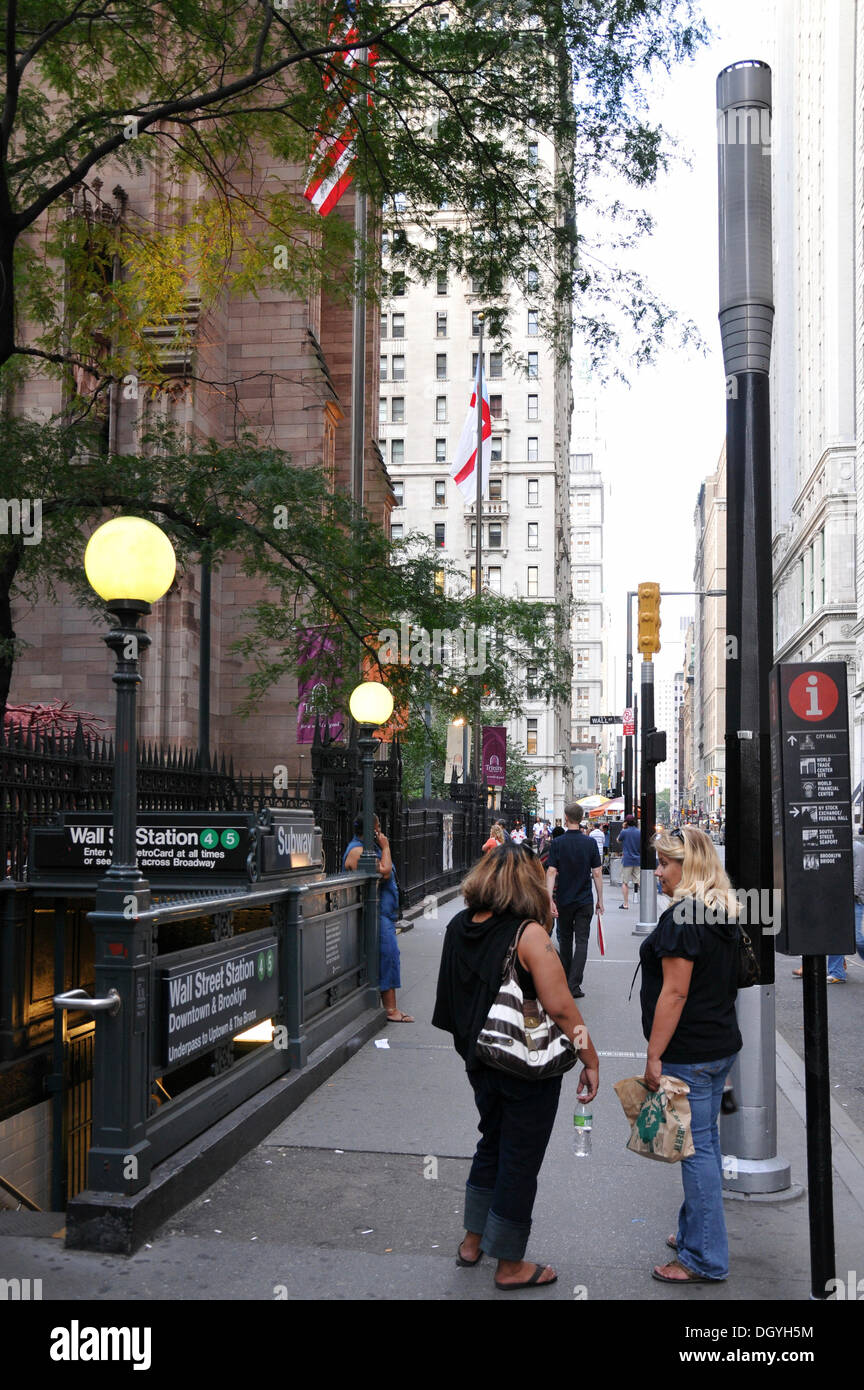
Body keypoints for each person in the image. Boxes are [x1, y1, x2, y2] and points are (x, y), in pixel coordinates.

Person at [433, 840, 599, 1290]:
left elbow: (451, 997)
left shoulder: (458, 925)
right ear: (527, 883)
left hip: (480, 1061)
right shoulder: (529, 935)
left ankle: (473, 1241)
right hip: (524, 1069)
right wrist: (590, 1058)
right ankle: (510, 1265)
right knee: (519, 1158)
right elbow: (563, 1009)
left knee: (492, 1142)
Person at [641, 826, 742, 1284]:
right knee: (704, 1146)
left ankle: (703, 1258)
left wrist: (653, 1055)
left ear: (690, 866)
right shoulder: (720, 910)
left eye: (665, 863)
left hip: (691, 1051)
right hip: (717, 1046)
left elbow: (674, 994)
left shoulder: (685, 916)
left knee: (693, 1152)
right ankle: (695, 1233)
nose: (658, 872)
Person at [343, 815, 414, 1022]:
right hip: (375, 914)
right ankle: (391, 1010)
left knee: (389, 955)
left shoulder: (368, 848)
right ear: (371, 830)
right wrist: (386, 847)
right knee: (388, 955)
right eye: (378, 827)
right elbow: (384, 872)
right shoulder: (358, 851)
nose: (381, 831)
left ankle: (387, 1005)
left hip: (384, 913)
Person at [544, 802, 603, 1000]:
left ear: (566, 818)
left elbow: (551, 871)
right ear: (582, 818)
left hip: (564, 899)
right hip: (584, 899)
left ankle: (565, 980)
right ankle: (574, 984)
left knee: (565, 940)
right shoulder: (590, 843)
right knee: (583, 941)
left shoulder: (558, 843)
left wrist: (548, 899)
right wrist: (600, 899)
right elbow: (597, 873)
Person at [619, 813, 641, 910]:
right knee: (639, 881)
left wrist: (623, 828)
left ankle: (626, 904)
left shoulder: (624, 832)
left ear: (626, 822)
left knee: (625, 882)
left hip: (627, 860)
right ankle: (645, 902)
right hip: (637, 859)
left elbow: (618, 840)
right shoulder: (639, 832)